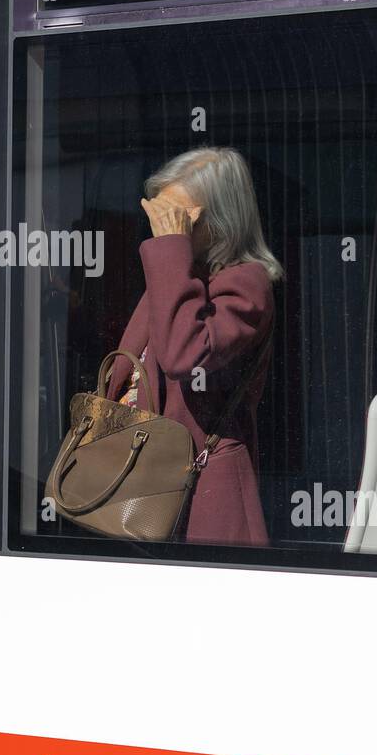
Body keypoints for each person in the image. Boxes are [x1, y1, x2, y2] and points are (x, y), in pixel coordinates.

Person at [107, 147, 283, 545]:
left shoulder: (247, 285)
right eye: (161, 216)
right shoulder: (181, 278)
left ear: (221, 222)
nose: (165, 229)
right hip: (145, 475)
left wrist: (170, 252)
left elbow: (181, 356)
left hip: (205, 487)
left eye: (179, 218)